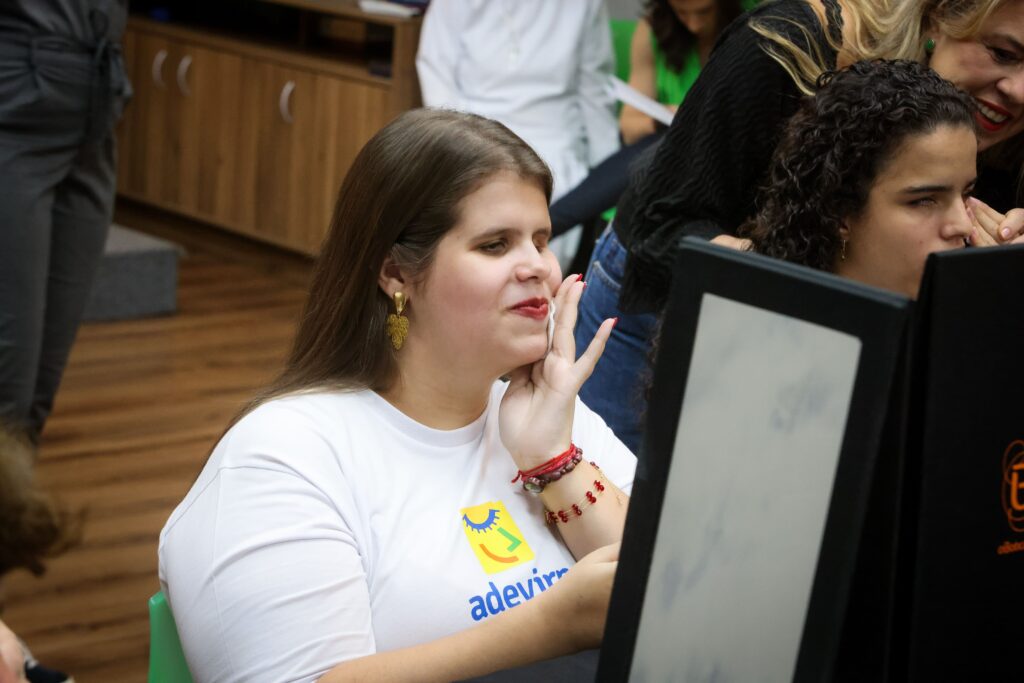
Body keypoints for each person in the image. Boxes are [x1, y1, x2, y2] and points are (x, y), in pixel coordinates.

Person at [159, 109, 635, 683]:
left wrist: (552, 460)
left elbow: (662, 600)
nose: (536, 266)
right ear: (395, 274)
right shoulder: (281, 458)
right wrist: (550, 626)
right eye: (494, 245)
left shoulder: (552, 416)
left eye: (541, 240)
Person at [574, 0, 1024, 453]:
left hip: (831, 332)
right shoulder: (790, 45)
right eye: (1003, 53)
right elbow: (663, 223)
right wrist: (789, 269)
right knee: (614, 483)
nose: (1020, 90)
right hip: (663, 280)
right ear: (938, 17)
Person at [743, 59, 1023, 299]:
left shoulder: (967, 321)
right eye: (924, 200)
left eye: (965, 194)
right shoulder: (762, 320)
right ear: (839, 211)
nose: (963, 225)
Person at [0, 0, 131, 444]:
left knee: (37, 392)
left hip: (95, 104)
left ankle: (16, 508)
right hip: (17, 99)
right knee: (8, 391)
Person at [415, 0, 620, 268]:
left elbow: (594, 91)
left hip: (555, 140)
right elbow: (437, 75)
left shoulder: (584, 4)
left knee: (545, 225)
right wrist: (456, 149)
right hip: (471, 134)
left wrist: (609, 182)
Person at [548, 0, 745, 262]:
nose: (694, 24)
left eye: (704, 12)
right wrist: (666, 117)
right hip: (663, 160)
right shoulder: (653, 32)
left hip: (721, 161)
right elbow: (629, 128)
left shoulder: (750, 29)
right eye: (682, 13)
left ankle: (553, 223)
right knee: (659, 145)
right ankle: (551, 224)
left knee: (655, 151)